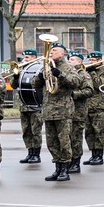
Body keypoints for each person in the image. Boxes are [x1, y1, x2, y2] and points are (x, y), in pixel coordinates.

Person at [32, 42, 81, 181]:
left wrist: (60, 75)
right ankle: (57, 168)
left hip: (63, 110)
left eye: (54, 50)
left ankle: (65, 169)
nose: (51, 52)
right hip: (48, 110)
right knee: (51, 142)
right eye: (51, 50)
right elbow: (34, 83)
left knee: (64, 141)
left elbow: (76, 82)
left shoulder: (68, 67)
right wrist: (40, 77)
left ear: (62, 53)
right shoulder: (46, 66)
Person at [14, 48, 43, 164]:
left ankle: (36, 154)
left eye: (27, 57)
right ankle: (30, 152)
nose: (24, 59)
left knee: (36, 131)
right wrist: (16, 76)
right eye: (24, 57)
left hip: (36, 105)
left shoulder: (40, 68)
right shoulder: (22, 69)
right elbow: (14, 85)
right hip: (24, 105)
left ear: (34, 57)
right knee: (26, 130)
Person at [68, 51, 94, 174]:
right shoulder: (68, 73)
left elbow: (89, 91)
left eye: (72, 59)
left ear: (79, 61)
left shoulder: (83, 74)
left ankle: (76, 163)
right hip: (67, 111)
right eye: (69, 59)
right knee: (67, 138)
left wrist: (74, 94)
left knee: (76, 138)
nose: (69, 61)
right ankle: (68, 161)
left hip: (78, 111)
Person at [83, 51, 104, 166]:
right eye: (90, 60)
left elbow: (99, 85)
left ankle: (99, 156)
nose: (91, 62)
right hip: (87, 106)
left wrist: (92, 72)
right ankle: (93, 154)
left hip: (98, 106)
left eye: (93, 60)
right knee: (89, 132)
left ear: (99, 60)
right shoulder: (86, 71)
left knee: (98, 132)